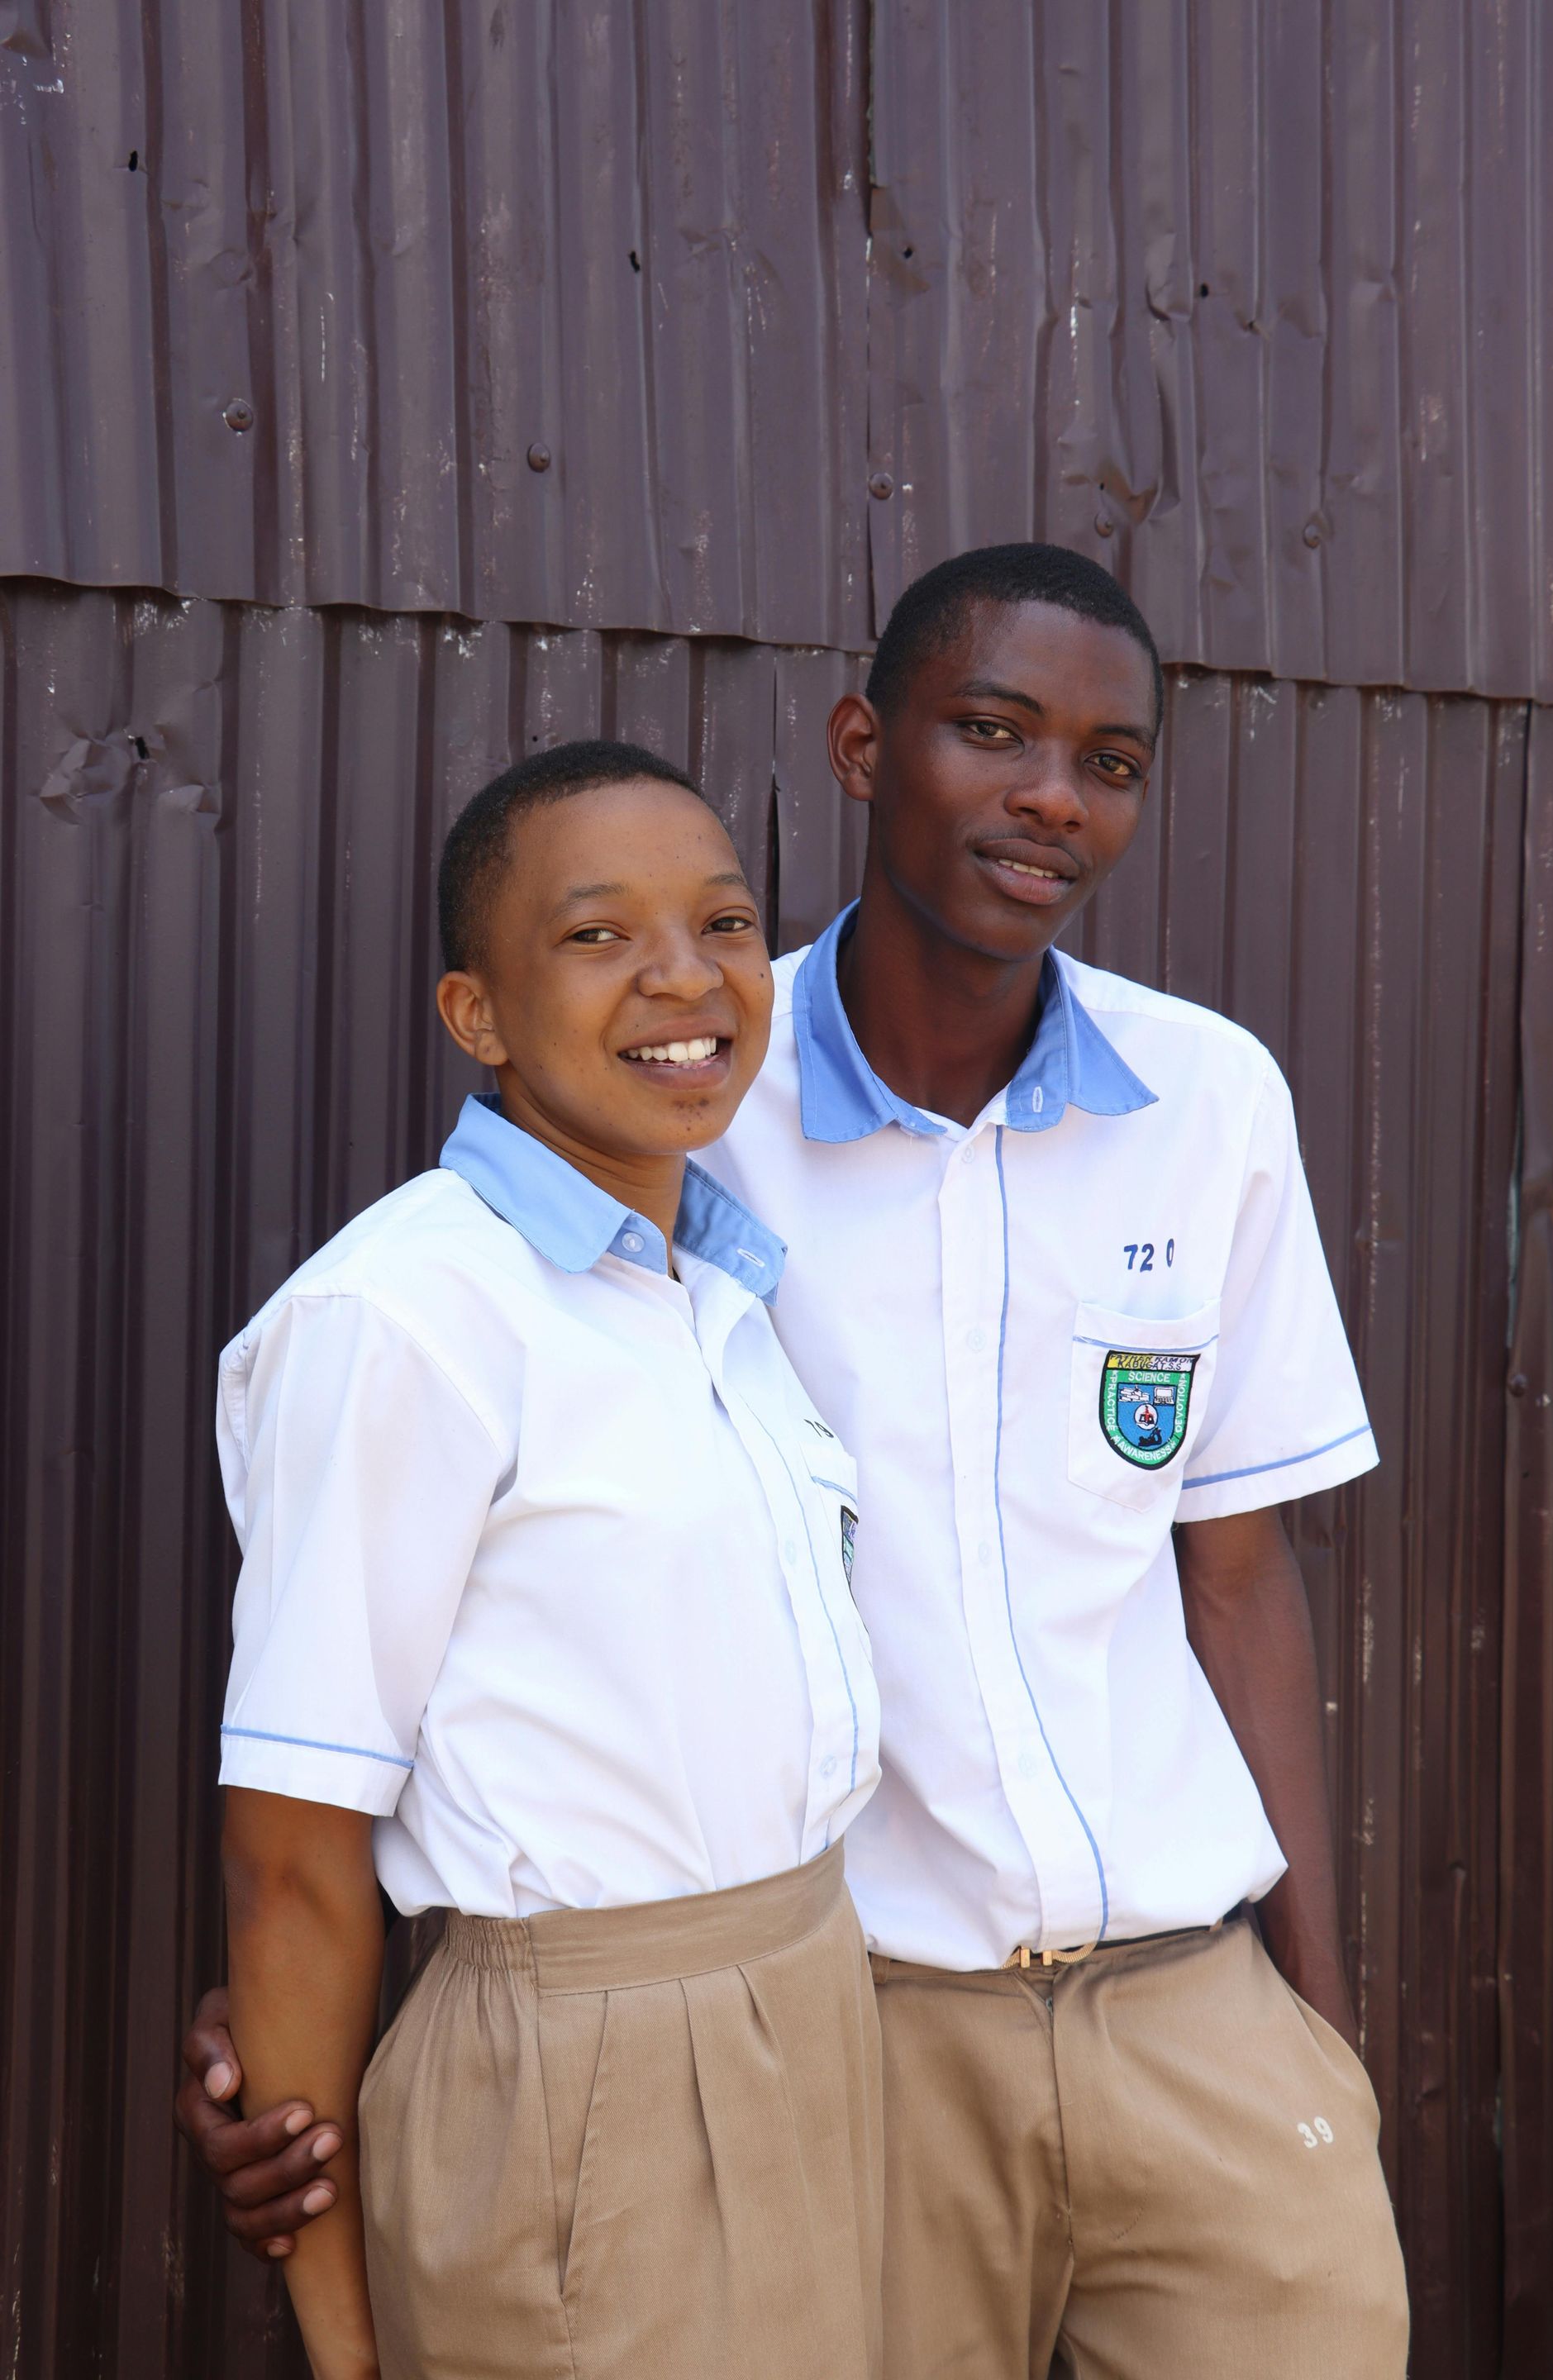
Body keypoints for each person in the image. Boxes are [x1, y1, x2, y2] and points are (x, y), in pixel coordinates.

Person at [179, 547, 1411, 2377]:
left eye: (1109, 760)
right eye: (991, 733)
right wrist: (290, 2040)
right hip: (853, 2024)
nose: (1050, 796)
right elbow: (383, 1716)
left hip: (1181, 1989)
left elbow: (1234, 1568)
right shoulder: (674, 1120)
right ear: (863, 744)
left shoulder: (1201, 1102)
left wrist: (1322, 2020)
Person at [210, 741, 883, 2379]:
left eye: (724, 923)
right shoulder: (411, 1318)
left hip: (811, 2005)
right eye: (598, 936)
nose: (686, 976)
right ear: (478, 1018)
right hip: (588, 2070)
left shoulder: (713, 1291)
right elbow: (295, 1854)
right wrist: (346, 2344)